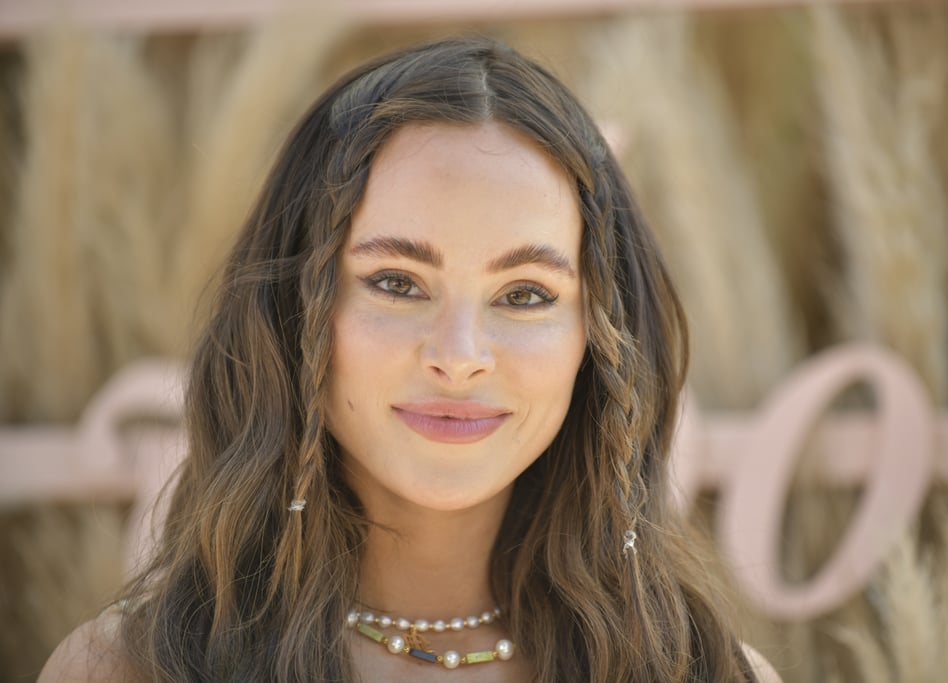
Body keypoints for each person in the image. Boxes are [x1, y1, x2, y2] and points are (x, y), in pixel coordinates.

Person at [41, 36, 781, 682]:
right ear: (293, 308)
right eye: (397, 283)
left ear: (600, 335)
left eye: (525, 294)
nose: (459, 357)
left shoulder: (708, 673)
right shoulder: (131, 670)